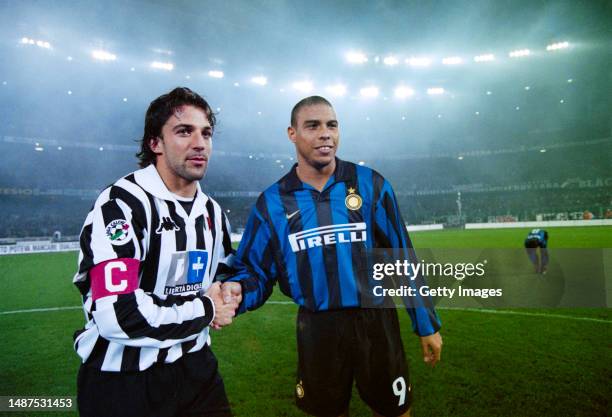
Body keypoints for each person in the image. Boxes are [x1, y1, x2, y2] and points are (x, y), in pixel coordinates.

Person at [222, 96, 442, 417]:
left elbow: (402, 257)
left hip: (376, 321)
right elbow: (253, 269)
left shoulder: (370, 184)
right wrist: (234, 294)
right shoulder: (272, 202)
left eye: (332, 125)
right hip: (317, 326)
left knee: (394, 411)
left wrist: (426, 324)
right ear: (292, 133)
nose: (325, 133)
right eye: (313, 126)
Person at [72, 87, 240, 417]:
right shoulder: (121, 206)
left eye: (206, 133)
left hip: (197, 370)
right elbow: (119, 317)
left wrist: (229, 290)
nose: (199, 143)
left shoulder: (212, 212)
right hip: (123, 383)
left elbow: (221, 271)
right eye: (183, 131)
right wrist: (207, 310)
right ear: (155, 144)